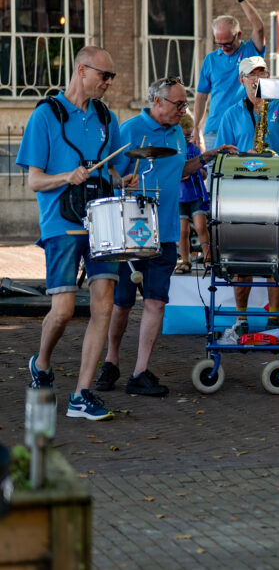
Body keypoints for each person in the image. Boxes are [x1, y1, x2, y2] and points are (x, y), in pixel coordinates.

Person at [100, 78, 236, 397]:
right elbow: (108, 172)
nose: (183, 111)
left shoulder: (176, 132)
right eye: (178, 104)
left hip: (166, 232)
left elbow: (180, 170)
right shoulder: (129, 130)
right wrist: (121, 181)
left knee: (156, 302)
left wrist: (208, 155)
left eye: (185, 104)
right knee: (121, 304)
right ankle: (110, 361)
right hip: (132, 232)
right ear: (157, 101)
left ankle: (140, 371)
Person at [17, 46, 128, 420]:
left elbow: (113, 168)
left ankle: (82, 394)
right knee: (63, 310)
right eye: (104, 75)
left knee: (104, 304)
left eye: (111, 76)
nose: (109, 82)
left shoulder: (106, 117)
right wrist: (67, 176)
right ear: (82, 70)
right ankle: (42, 362)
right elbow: (34, 180)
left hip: (103, 223)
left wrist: (120, 179)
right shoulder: (45, 115)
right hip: (61, 223)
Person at [217, 56, 279, 337]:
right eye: (253, 75)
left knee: (277, 255)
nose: (258, 79)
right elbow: (220, 158)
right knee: (241, 254)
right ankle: (241, 318)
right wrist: (241, 158)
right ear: (242, 80)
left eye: (263, 73)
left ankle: (274, 318)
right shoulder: (231, 114)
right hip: (242, 193)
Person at [194, 0, 266, 149]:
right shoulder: (211, 60)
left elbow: (259, 28)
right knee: (216, 165)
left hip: (245, 128)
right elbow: (201, 96)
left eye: (227, 43)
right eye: (219, 44)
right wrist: (196, 127)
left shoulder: (251, 51)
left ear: (238, 35)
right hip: (215, 128)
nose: (223, 48)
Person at [176, 113, 211, 272]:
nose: (187, 139)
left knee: (201, 227)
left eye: (189, 136)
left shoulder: (195, 149)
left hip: (196, 194)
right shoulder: (174, 151)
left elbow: (204, 173)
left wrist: (198, 171)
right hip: (180, 196)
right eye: (184, 136)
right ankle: (185, 260)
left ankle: (208, 257)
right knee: (183, 231)